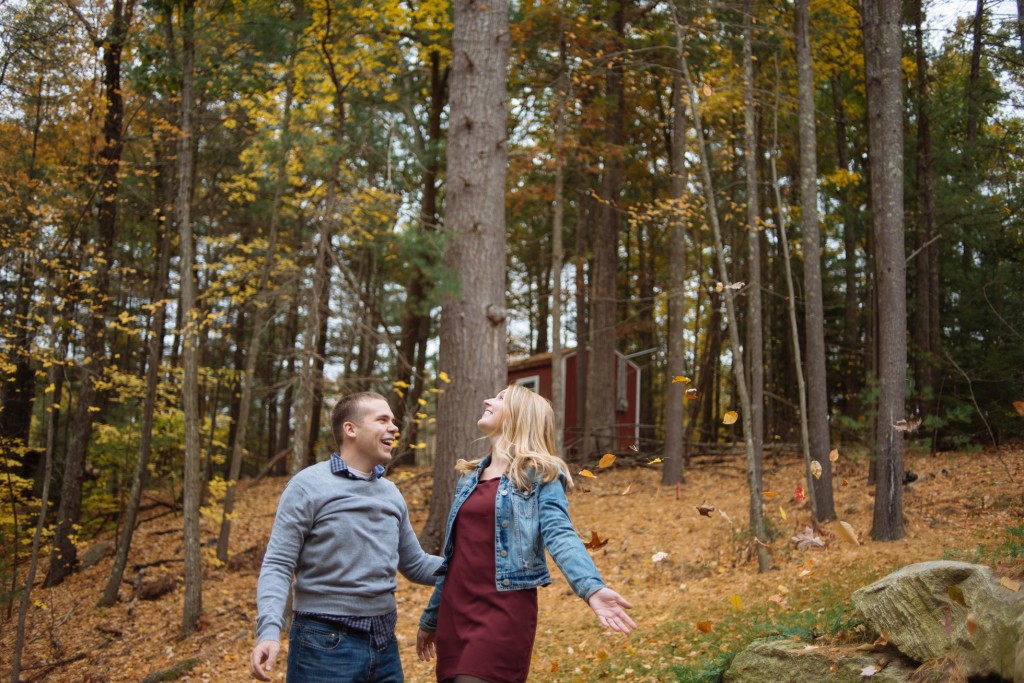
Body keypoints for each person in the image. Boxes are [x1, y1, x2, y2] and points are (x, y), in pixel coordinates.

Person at [416, 384, 636, 683]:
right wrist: (431, 618)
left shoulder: (540, 474)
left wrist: (591, 588)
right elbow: (452, 559)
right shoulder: (468, 479)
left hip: (502, 611)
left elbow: (560, 533)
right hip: (455, 612)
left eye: (501, 398)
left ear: (520, 415)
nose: (487, 400)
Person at [250, 391, 443, 682]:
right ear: (350, 429)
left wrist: (471, 565)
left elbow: (416, 564)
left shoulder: (390, 493)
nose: (394, 427)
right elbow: (278, 564)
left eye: (393, 421)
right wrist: (269, 630)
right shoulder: (307, 486)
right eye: (382, 420)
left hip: (384, 645)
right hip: (323, 644)